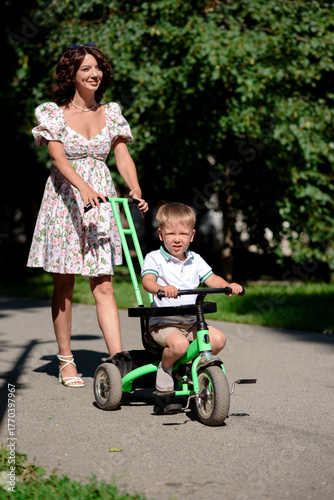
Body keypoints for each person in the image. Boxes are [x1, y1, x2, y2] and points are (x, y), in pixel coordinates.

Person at [27, 42, 148, 388]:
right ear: (71, 75)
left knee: (104, 283)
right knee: (64, 283)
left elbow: (122, 156)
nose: (94, 74)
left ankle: (120, 362)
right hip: (66, 200)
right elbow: (58, 160)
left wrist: (134, 187)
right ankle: (66, 360)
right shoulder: (53, 113)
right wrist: (82, 188)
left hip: (101, 202)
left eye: (97, 68)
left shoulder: (111, 113)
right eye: (85, 69)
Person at [141, 202, 243, 392]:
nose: (177, 239)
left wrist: (227, 286)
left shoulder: (195, 259)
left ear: (192, 235)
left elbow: (211, 278)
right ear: (161, 234)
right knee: (179, 345)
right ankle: (166, 367)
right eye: (171, 234)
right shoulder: (154, 258)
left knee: (218, 339)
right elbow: (147, 281)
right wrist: (162, 288)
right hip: (164, 323)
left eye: (183, 234)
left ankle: (191, 367)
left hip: (192, 322)